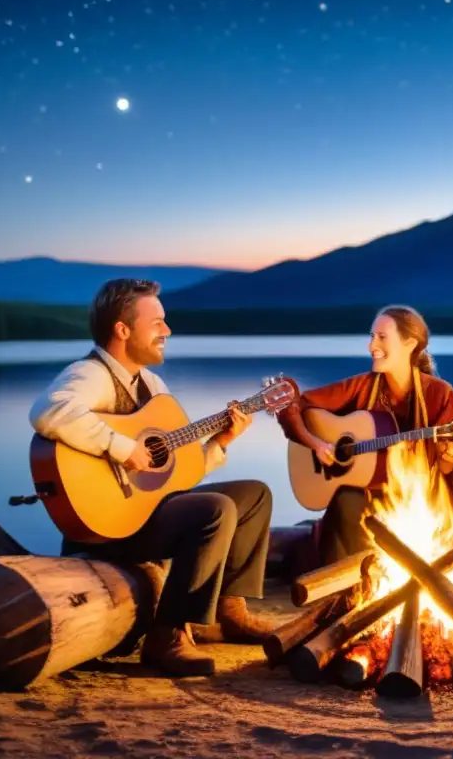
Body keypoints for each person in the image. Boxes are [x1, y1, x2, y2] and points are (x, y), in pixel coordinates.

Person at [29, 279, 276, 677]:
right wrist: (124, 449)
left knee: (255, 496)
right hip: (105, 525)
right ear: (122, 330)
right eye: (157, 322)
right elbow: (49, 412)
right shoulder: (89, 374)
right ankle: (168, 636)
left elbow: (172, 472)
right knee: (214, 509)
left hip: (142, 510)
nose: (167, 331)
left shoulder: (152, 386)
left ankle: (228, 613)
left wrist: (220, 443)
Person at [278, 305, 453, 564]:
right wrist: (316, 443)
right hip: (370, 501)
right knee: (345, 500)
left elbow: (449, 477)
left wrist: (449, 458)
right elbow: (294, 405)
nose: (371, 347)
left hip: (422, 503)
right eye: (371, 336)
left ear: (410, 343)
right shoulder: (363, 386)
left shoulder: (440, 395)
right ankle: (342, 586)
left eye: (381, 337)